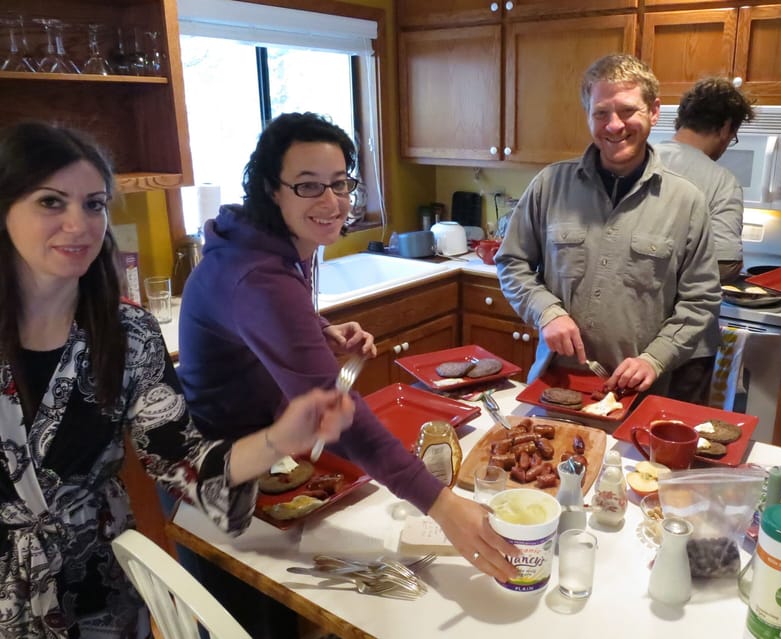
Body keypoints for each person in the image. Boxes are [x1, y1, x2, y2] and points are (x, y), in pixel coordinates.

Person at [0, 120, 355, 638]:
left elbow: (180, 461)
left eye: (94, 204)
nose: (78, 225)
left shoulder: (127, 335)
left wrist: (281, 437)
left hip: (98, 590)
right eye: (51, 202)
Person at [177, 113, 516, 589]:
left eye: (340, 183)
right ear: (273, 190)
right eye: (308, 186)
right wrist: (442, 505)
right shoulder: (259, 274)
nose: (331, 201)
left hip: (261, 463)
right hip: (223, 491)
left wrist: (317, 330)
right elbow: (338, 411)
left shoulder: (268, 244)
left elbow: (255, 320)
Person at [495, 54, 720, 395]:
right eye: (601, 113)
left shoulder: (687, 202)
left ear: (654, 111)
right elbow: (512, 262)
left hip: (642, 391)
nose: (614, 125)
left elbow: (700, 301)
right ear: (588, 116)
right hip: (557, 381)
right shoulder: (549, 186)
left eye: (628, 110)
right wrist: (546, 311)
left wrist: (654, 359)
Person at [655, 77, 755, 405]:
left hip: (626, 335)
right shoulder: (721, 181)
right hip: (687, 341)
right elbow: (724, 264)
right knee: (671, 433)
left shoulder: (637, 159)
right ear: (725, 128)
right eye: (733, 137)